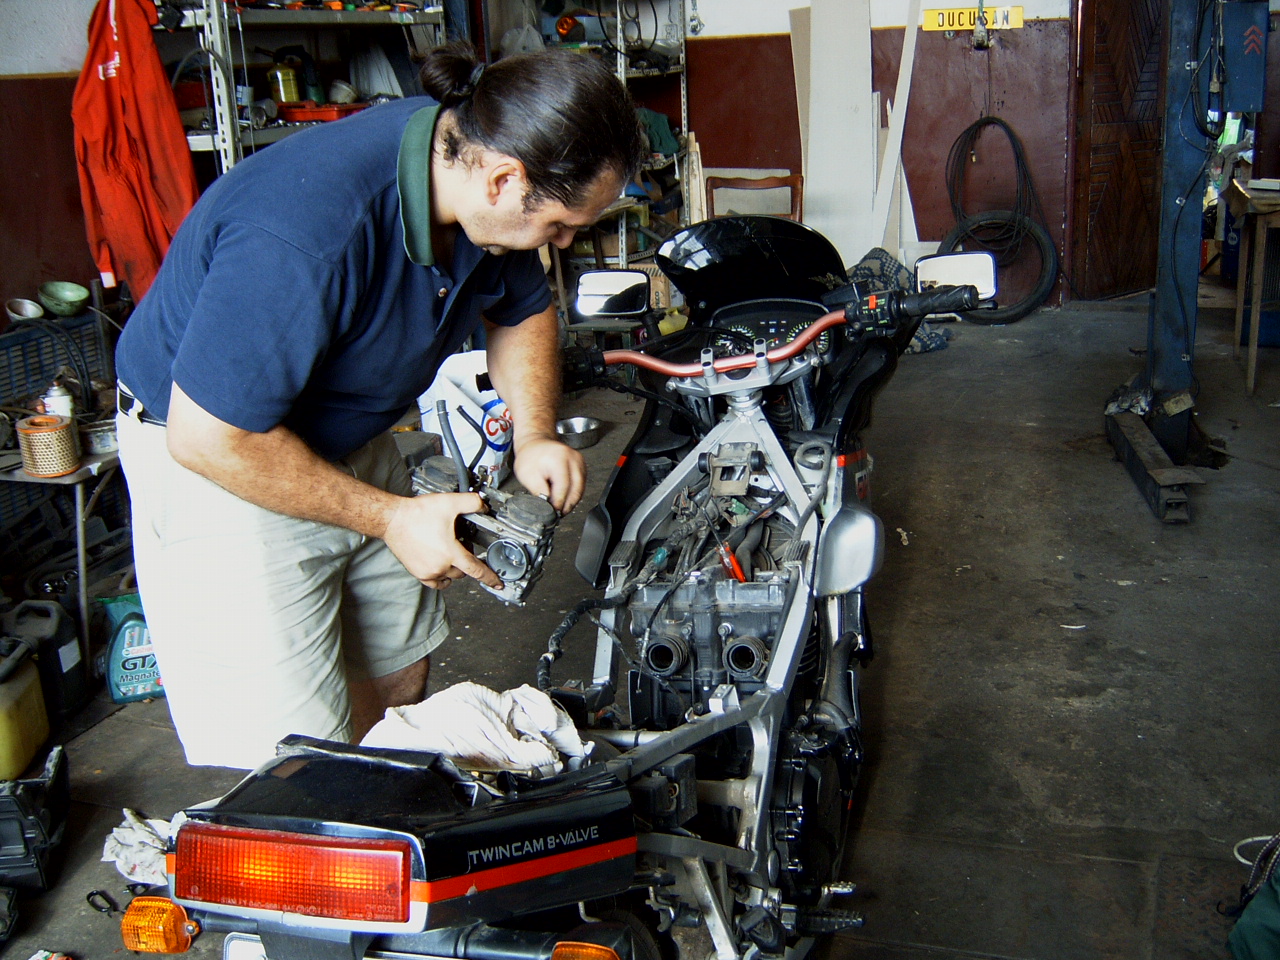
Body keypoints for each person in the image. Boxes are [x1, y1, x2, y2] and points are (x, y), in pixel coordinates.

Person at [113, 42, 645, 769]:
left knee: (397, 671)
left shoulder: (479, 165)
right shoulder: (305, 232)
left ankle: (376, 812)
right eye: (559, 227)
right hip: (227, 461)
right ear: (503, 180)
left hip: (352, 438)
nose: (564, 241)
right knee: (290, 759)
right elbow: (209, 439)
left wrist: (534, 434)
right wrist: (392, 518)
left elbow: (520, 309)